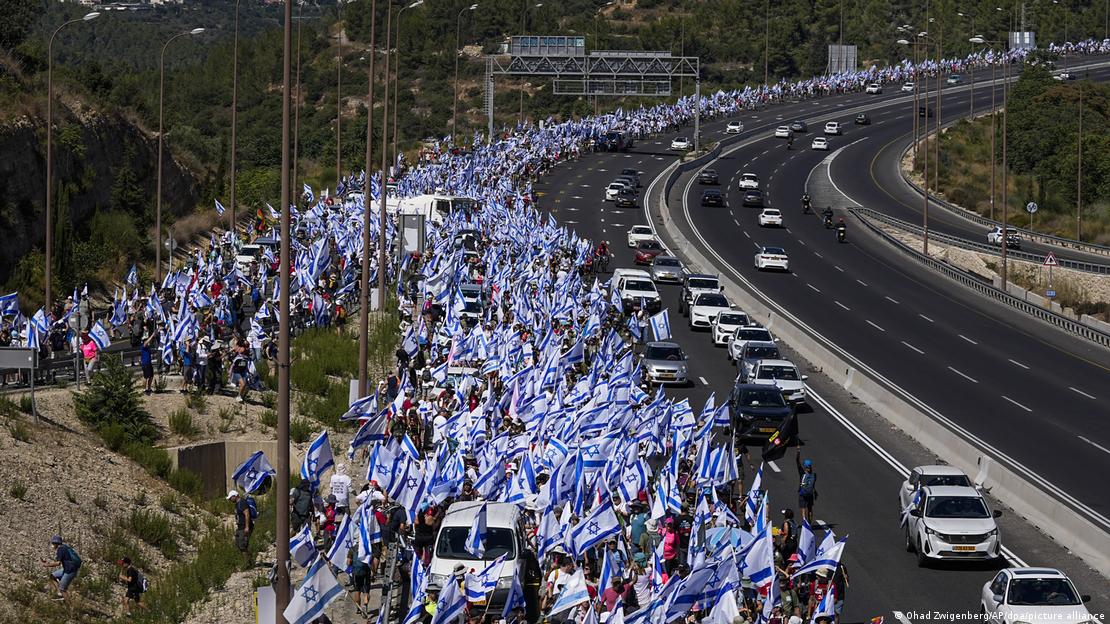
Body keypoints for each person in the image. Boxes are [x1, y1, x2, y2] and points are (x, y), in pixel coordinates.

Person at [43, 535, 81, 602]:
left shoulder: (60, 550)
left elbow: (58, 563)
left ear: (55, 543)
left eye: (53, 543)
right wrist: (48, 562)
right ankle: (59, 593)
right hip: (68, 569)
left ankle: (69, 607)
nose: (52, 545)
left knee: (63, 589)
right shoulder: (65, 547)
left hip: (69, 571)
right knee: (52, 576)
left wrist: (47, 565)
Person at [227, 489, 255, 560]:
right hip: (240, 527)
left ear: (235, 496)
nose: (230, 500)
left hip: (244, 527)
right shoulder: (237, 504)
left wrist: (247, 527)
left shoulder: (242, 503)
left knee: (243, 545)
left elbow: (247, 514)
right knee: (238, 544)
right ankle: (248, 559)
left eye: (231, 498)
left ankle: (248, 562)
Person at [796, 452, 817, 522]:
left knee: (803, 508)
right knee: (810, 508)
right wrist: (815, 492)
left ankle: (805, 524)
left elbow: (797, 461)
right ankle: (809, 523)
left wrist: (798, 452)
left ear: (804, 466)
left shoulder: (802, 472)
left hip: (802, 493)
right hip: (810, 493)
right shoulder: (814, 475)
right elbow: (813, 485)